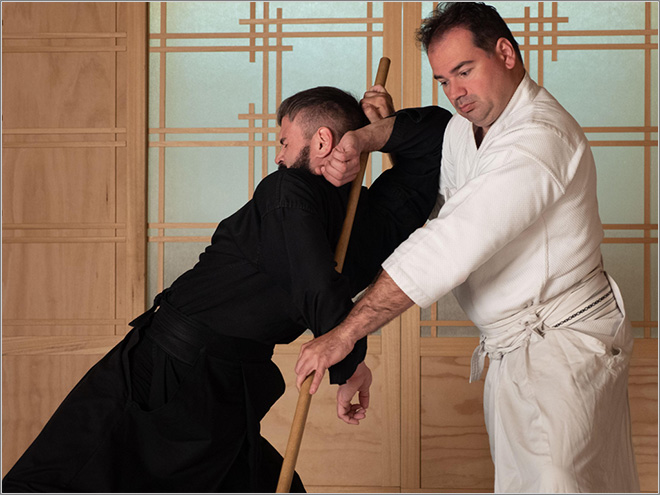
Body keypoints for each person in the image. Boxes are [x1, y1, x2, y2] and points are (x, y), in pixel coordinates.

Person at [2, 86, 452, 492]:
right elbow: (318, 289)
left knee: (53, 480)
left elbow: (440, 136)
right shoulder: (357, 217)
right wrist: (350, 360)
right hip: (177, 364)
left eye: (284, 142)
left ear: (320, 142)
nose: (278, 157)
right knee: (64, 476)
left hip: (193, 373)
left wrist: (374, 134)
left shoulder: (296, 193)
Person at [294, 3, 640, 493]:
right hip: (514, 346)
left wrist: (346, 334)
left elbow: (451, 241)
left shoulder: (538, 138)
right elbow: (434, 175)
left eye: (464, 71)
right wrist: (376, 135)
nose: (456, 92)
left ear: (505, 53)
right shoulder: (465, 127)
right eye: (443, 80)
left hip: (562, 343)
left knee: (558, 482)